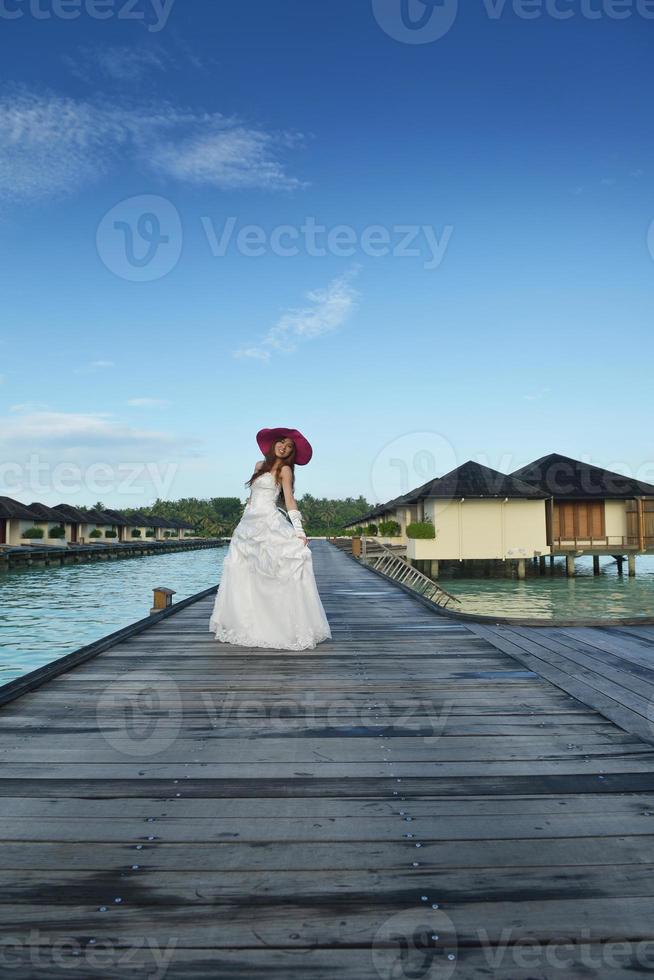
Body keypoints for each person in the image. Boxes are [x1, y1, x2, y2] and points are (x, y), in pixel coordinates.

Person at [208, 426, 332, 651]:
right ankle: (247, 623)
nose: (284, 447)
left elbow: (290, 500)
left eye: (289, 446)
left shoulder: (285, 470)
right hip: (248, 525)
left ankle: (279, 625)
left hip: (269, 522)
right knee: (243, 572)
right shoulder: (258, 466)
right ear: (274, 443)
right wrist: (240, 525)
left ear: (291, 452)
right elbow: (250, 498)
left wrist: (299, 531)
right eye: (281, 443)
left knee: (276, 569)